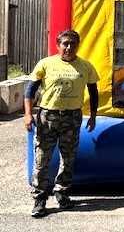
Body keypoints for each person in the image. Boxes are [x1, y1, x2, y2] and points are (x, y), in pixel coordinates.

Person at [24, 29, 99, 218]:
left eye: (73, 44)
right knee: (42, 158)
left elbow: (93, 92)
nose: (69, 47)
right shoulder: (46, 64)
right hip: (47, 117)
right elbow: (30, 91)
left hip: (72, 117)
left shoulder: (86, 66)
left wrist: (93, 116)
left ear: (78, 45)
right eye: (65, 43)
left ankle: (62, 194)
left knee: (68, 158)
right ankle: (40, 199)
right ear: (58, 45)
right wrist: (28, 114)